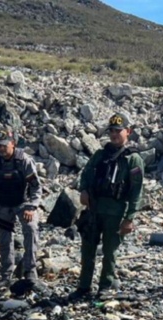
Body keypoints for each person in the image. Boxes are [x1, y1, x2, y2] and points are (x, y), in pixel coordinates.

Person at [69, 112, 144, 300]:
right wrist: (84, 190)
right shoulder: (100, 155)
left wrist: (129, 218)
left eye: (118, 131)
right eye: (111, 131)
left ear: (128, 131)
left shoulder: (133, 159)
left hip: (116, 213)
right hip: (94, 210)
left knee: (110, 252)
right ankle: (84, 286)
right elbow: (85, 174)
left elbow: (136, 191)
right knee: (87, 250)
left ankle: (105, 287)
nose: (114, 134)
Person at [0, 128, 42, 287]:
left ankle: (30, 272)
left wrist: (32, 207)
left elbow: (36, 188)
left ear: (12, 143)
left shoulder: (25, 161)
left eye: (4, 145)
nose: (1, 148)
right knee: (4, 238)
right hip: (2, 203)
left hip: (23, 203)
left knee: (31, 228)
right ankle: (6, 275)